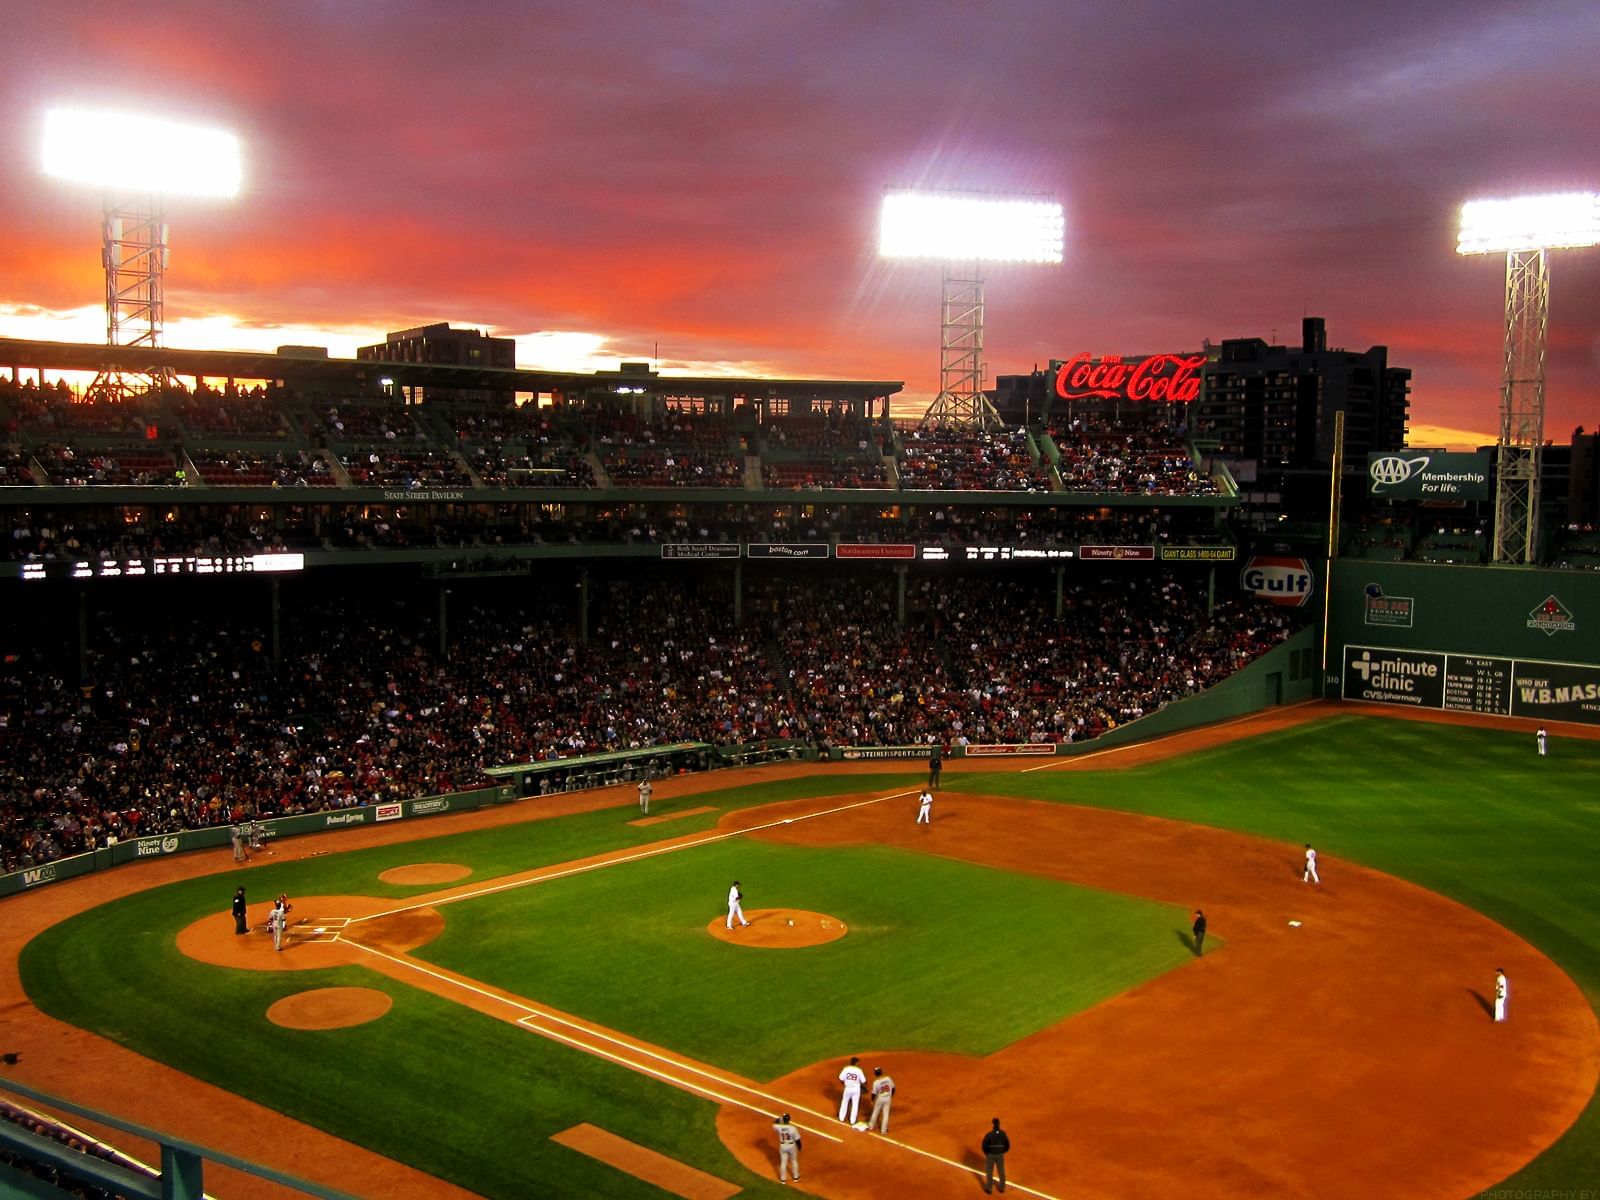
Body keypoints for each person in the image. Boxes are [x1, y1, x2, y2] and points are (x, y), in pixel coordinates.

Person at [982, 1116, 1010, 1194]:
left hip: (991, 1155)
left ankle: (989, 1188)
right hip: (1000, 1155)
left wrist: (987, 1153)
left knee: (989, 1171)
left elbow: (984, 1145)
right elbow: (1007, 1145)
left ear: (993, 1125)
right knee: (1001, 1171)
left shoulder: (989, 1134)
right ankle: (1002, 1187)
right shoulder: (1003, 1133)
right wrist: (1002, 1151)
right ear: (999, 1124)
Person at [772, 1112, 801, 1184]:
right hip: (791, 1146)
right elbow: (797, 1140)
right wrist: (799, 1147)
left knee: (783, 1162)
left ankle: (783, 1180)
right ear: (789, 1120)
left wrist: (780, 1119)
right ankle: (796, 1178)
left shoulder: (779, 1127)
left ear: (783, 1120)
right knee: (794, 1161)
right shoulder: (793, 1128)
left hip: (783, 1146)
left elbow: (774, 1123)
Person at [837, 1056, 866, 1124]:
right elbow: (864, 1081)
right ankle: (852, 1121)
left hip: (847, 1088)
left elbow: (841, 1079)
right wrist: (864, 1087)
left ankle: (841, 1118)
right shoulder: (859, 1070)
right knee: (855, 1104)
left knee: (844, 1102)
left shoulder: (846, 1069)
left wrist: (845, 1084)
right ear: (856, 1063)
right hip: (856, 1089)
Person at [866, 1066, 895, 1133]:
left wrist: (872, 1100)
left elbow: (874, 1093)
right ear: (881, 1072)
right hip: (888, 1098)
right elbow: (893, 1088)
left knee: (875, 1111)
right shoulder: (888, 1079)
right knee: (886, 1114)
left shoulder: (876, 1082)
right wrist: (891, 1095)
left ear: (875, 1074)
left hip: (880, 1099)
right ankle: (883, 1130)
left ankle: (871, 1126)